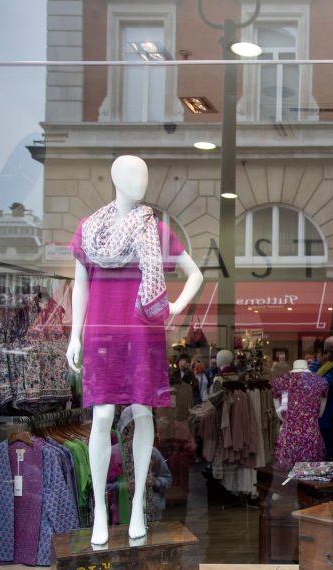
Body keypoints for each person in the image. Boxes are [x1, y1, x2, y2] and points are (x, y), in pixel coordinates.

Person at [66, 155, 203, 546]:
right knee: (103, 415)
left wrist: (175, 306)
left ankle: (139, 504)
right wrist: (74, 335)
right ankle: (97, 514)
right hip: (102, 335)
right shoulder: (88, 231)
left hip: (142, 333)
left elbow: (195, 274)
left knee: (142, 412)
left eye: (144, 174)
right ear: (115, 178)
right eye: (132, 174)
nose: (140, 181)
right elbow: (81, 285)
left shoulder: (155, 230)